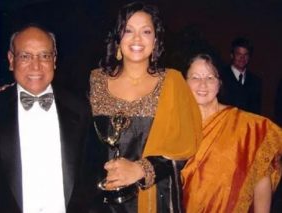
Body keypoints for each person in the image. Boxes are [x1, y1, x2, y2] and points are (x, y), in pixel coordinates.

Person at [87, 2, 202, 213]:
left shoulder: (172, 82)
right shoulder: (95, 80)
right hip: (102, 201)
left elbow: (187, 147)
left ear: (155, 39)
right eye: (128, 30)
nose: (137, 39)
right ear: (117, 38)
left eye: (146, 31)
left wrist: (140, 169)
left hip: (156, 198)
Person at [0, 24, 92, 212]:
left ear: (54, 60)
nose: (36, 65)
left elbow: (90, 177)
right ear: (11, 60)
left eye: (44, 56)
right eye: (25, 56)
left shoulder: (80, 109)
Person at [181, 53, 282, 212]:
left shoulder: (245, 126)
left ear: (219, 83)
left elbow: (261, 175)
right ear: (184, 82)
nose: (203, 84)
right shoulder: (174, 126)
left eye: (210, 77)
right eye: (195, 77)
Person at [220, 37, 262, 114]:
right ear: (232, 55)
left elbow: (256, 112)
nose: (242, 58)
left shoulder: (256, 81)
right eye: (239, 54)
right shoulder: (220, 77)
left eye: (245, 55)